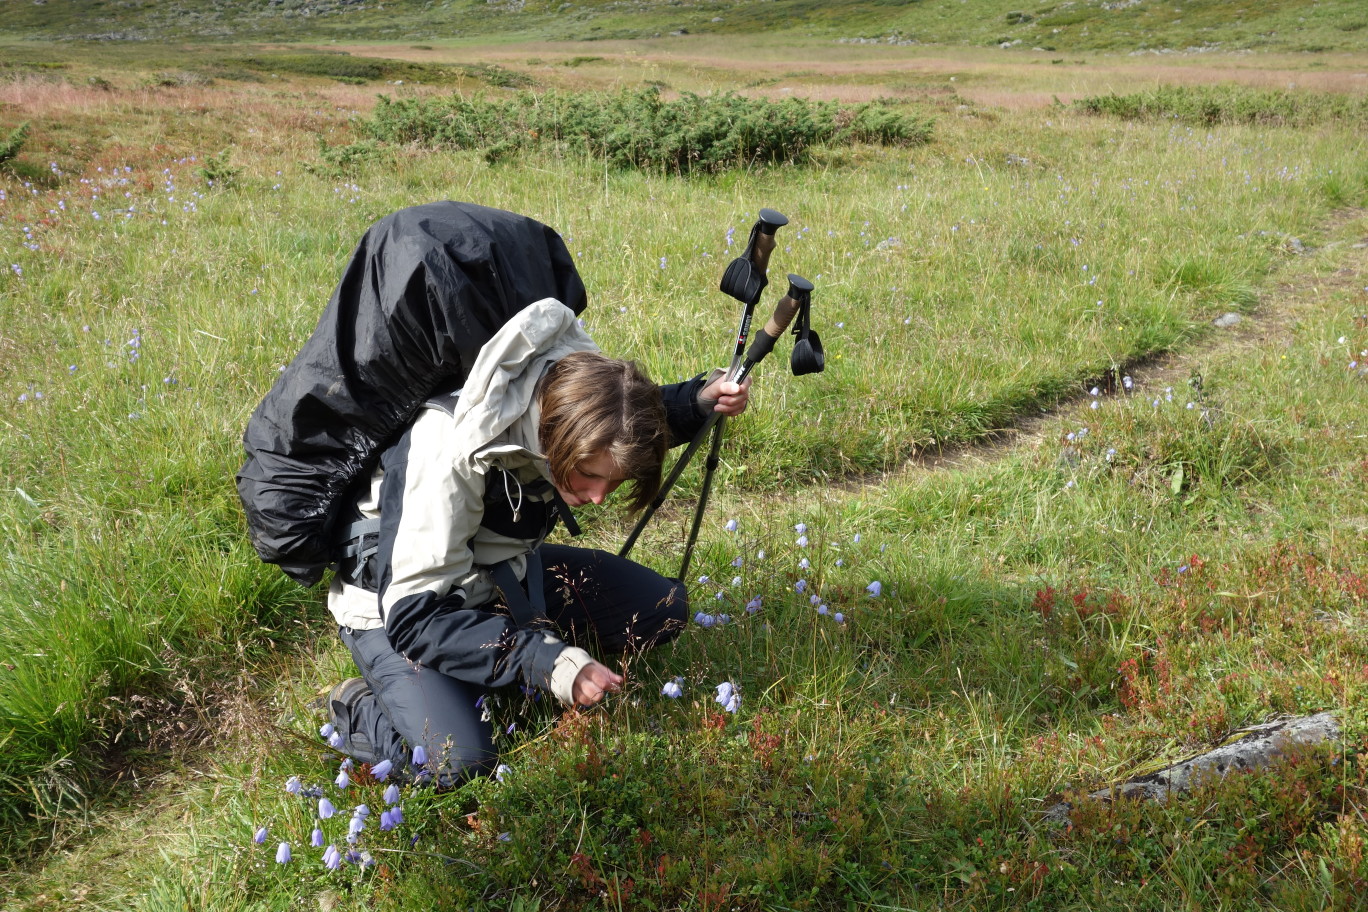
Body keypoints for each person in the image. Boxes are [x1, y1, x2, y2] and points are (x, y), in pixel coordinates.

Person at [322, 296, 749, 782]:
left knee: (663, 608)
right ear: (554, 439)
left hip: (496, 573)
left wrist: (697, 402)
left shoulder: (567, 391)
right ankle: (358, 707)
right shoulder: (448, 452)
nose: (598, 497)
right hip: (402, 608)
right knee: (461, 764)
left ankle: (486, 666)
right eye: (590, 476)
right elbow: (414, 618)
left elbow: (618, 428)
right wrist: (549, 662)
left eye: (612, 482)